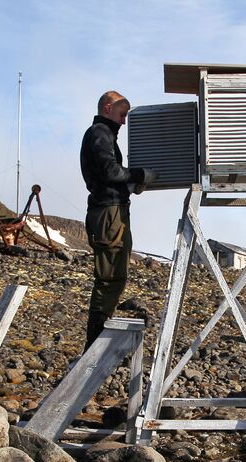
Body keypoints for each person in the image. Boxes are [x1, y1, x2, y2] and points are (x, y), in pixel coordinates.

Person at [80, 90, 155, 350]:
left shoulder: (104, 134)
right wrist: (138, 174)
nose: (124, 121)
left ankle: (97, 345)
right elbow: (110, 170)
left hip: (112, 210)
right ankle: (94, 348)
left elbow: (107, 175)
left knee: (114, 275)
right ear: (108, 107)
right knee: (110, 276)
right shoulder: (99, 133)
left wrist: (130, 186)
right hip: (108, 213)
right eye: (122, 114)